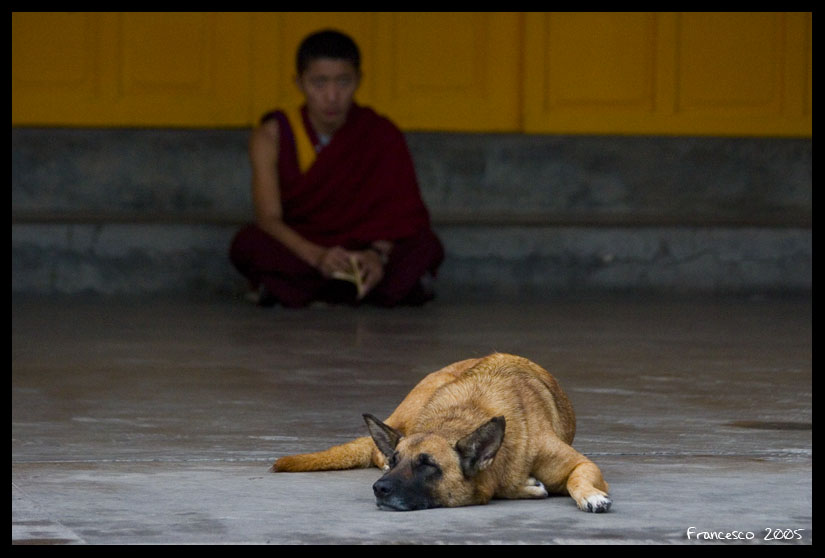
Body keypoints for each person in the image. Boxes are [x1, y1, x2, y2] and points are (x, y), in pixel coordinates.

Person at [230, 29, 444, 308]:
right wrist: (318, 256)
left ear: (358, 80)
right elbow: (268, 218)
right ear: (299, 83)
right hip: (306, 245)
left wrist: (376, 255)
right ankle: (371, 290)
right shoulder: (273, 135)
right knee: (248, 244)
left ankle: (299, 290)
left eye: (343, 82)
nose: (332, 96)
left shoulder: (379, 132)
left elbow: (402, 214)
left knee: (426, 245)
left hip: (365, 246)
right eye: (319, 83)